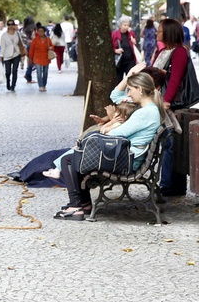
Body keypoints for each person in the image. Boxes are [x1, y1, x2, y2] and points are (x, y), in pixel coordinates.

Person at [53, 70, 163, 220]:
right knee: (78, 154)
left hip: (127, 162)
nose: (129, 94)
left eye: (130, 90)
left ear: (140, 89)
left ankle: (76, 206)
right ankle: (83, 203)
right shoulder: (149, 110)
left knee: (69, 160)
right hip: (127, 157)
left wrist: (107, 126)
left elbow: (116, 134)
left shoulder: (145, 113)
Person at [43, 101, 139, 179]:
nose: (115, 114)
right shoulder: (120, 124)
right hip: (105, 149)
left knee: (76, 150)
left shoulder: (117, 124)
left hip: (103, 151)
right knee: (76, 148)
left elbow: (103, 130)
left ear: (124, 117)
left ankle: (56, 170)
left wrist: (111, 121)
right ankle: (56, 169)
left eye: (117, 113)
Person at [151, 18, 190, 196]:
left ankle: (169, 184)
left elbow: (175, 79)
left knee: (170, 143)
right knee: (169, 144)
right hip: (161, 102)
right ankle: (171, 184)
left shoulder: (179, 52)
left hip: (171, 105)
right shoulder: (164, 51)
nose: (157, 33)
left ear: (168, 32)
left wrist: (166, 101)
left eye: (159, 30)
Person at [0, 20, 24, 92]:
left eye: (12, 24)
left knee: (15, 70)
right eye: (9, 24)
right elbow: (2, 46)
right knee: (8, 71)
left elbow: (21, 42)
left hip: (16, 54)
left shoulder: (17, 34)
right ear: (7, 26)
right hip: (7, 55)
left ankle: (13, 85)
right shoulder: (4, 35)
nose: (10, 26)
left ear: (14, 25)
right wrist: (1, 56)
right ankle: (8, 82)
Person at [112, 15, 137, 81]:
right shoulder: (114, 34)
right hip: (119, 62)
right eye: (124, 25)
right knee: (119, 80)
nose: (126, 27)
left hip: (130, 61)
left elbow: (134, 46)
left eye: (128, 25)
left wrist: (134, 42)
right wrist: (115, 50)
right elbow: (110, 47)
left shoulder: (131, 33)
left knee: (131, 79)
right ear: (120, 25)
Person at [29, 22, 52, 92]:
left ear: (44, 32)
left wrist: (51, 48)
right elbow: (31, 49)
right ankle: (40, 85)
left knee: (45, 72)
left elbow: (52, 46)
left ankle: (44, 85)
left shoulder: (48, 39)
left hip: (46, 58)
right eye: (39, 31)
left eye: (42, 31)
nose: (40, 33)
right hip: (37, 58)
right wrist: (30, 58)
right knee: (39, 72)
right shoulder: (35, 40)